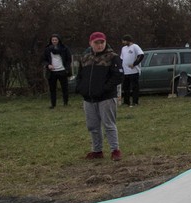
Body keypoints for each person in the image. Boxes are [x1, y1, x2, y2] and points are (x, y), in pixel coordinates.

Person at [75, 32, 124, 161]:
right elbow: (79, 75)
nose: (100, 45)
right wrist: (80, 88)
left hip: (106, 97)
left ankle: (115, 150)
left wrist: (105, 88)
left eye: (102, 42)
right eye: (97, 42)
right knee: (92, 125)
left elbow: (118, 76)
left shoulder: (112, 57)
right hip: (89, 98)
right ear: (91, 43)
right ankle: (97, 151)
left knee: (109, 124)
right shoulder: (85, 58)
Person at [41, 34, 72, 109]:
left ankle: (65, 103)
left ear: (59, 40)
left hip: (62, 71)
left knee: (65, 88)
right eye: (53, 40)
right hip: (52, 72)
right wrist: (48, 65)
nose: (54, 41)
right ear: (51, 41)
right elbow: (43, 60)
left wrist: (67, 69)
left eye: (56, 40)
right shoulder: (47, 49)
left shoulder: (64, 48)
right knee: (52, 89)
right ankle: (53, 104)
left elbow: (69, 59)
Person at [120, 35, 144, 107]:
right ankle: (126, 102)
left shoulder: (135, 46)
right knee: (125, 87)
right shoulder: (123, 48)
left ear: (128, 40)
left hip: (134, 71)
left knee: (134, 87)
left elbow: (141, 55)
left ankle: (135, 102)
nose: (123, 42)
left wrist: (134, 64)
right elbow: (121, 58)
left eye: (124, 40)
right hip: (126, 72)